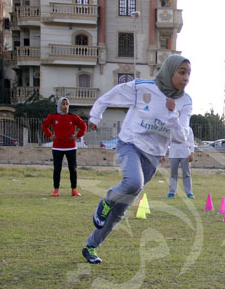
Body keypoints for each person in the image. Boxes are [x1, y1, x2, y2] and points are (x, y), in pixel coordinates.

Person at [82, 54, 192, 264]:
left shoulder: (185, 102)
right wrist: (95, 117)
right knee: (133, 182)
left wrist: (172, 115)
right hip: (129, 143)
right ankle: (106, 201)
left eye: (188, 74)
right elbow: (109, 96)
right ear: (169, 70)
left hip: (153, 156)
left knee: (120, 210)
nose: (186, 78)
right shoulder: (143, 88)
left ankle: (91, 246)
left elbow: (180, 137)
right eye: (182, 72)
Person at [41, 97, 87, 197]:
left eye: (67, 104)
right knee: (57, 169)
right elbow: (44, 125)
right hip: (57, 147)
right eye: (63, 104)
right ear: (59, 105)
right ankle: (56, 190)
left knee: (73, 169)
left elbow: (83, 126)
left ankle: (74, 190)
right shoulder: (53, 116)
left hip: (71, 147)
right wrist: (50, 135)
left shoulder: (73, 117)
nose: (65, 106)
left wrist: (76, 136)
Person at [167, 126, 195, 199]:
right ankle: (171, 192)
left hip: (185, 154)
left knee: (186, 174)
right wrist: (164, 152)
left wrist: (192, 153)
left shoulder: (188, 129)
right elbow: (167, 141)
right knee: (173, 174)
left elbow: (191, 141)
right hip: (173, 154)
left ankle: (189, 193)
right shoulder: (171, 128)